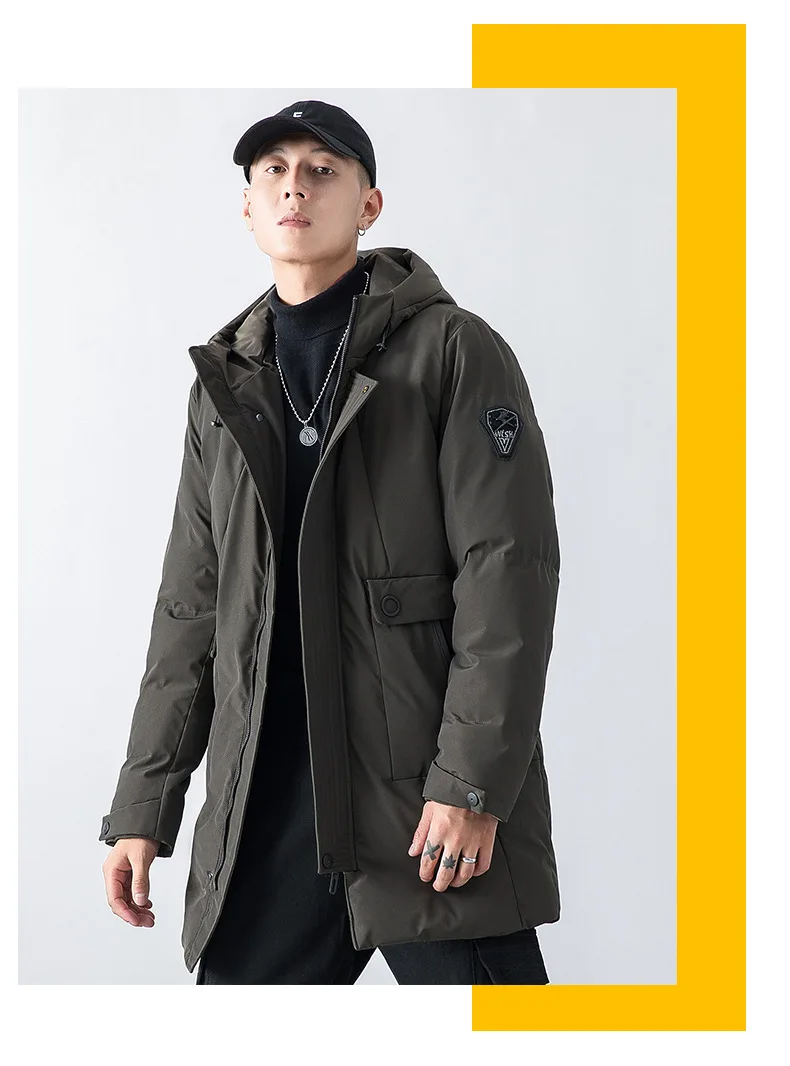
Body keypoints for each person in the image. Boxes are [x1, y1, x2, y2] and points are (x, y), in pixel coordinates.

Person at [99, 99, 561, 985]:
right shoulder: (224, 386)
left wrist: (470, 783)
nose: (295, 188)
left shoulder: (453, 351)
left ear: (368, 204)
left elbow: (509, 577)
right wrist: (142, 807)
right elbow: (190, 611)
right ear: (247, 207)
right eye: (273, 171)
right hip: (270, 805)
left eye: (322, 169)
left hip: (421, 801)